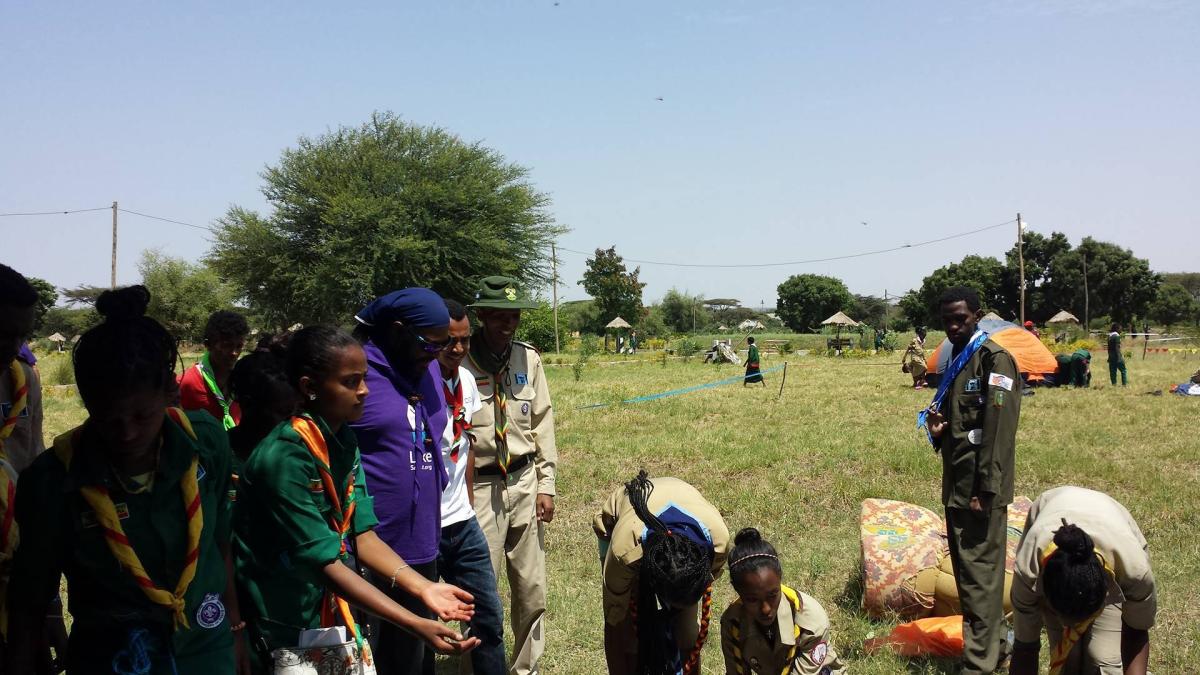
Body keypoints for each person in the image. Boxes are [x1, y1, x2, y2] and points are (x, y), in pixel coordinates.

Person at [6, 285, 251, 674]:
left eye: (142, 416)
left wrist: (236, 630)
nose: (126, 433)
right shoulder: (53, 480)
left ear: (169, 392)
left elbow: (219, 542)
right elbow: (30, 596)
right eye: (108, 417)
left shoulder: (204, 442)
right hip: (113, 661)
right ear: (86, 402)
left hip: (206, 653)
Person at [233, 325, 479, 673]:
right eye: (350, 382)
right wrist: (414, 622)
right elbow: (325, 564)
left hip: (335, 623)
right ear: (309, 388)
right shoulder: (284, 459)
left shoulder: (344, 441)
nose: (364, 391)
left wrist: (424, 587)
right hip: (287, 628)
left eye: (363, 378)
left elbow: (362, 535)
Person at [348, 288, 456, 673]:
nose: (438, 353)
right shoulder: (355, 374)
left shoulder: (425, 364)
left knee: (415, 659)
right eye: (430, 343)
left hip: (422, 542)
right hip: (368, 550)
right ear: (396, 331)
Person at [920, 286, 1021, 675]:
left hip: (980, 492)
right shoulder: (959, 360)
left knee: (980, 577)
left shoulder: (995, 361)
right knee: (970, 576)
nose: (953, 326)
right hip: (958, 487)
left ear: (977, 315)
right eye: (947, 320)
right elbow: (963, 426)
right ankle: (995, 649)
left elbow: (998, 435)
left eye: (960, 318)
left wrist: (986, 490)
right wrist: (940, 429)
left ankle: (979, 665)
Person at [464, 275, 559, 675]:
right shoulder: (460, 361)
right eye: (500, 316)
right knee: (481, 591)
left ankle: (525, 668)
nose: (509, 324)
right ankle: (478, 667)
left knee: (531, 588)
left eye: (514, 316)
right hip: (480, 487)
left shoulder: (528, 359)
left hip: (523, 481)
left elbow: (543, 423)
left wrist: (547, 483)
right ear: (482, 316)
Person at [593, 471, 729, 675]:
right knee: (625, 631)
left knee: (686, 634)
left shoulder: (717, 545)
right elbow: (614, 623)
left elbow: (690, 631)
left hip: (682, 502)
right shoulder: (624, 552)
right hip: (619, 523)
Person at [1009, 486, 1156, 675]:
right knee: (1066, 663)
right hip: (1052, 509)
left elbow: (1135, 633)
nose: (1072, 627)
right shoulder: (1029, 572)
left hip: (1110, 531)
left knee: (1104, 663)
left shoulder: (1134, 570)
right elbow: (1025, 647)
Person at [435, 299, 507, 674]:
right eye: (449, 341)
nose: (458, 349)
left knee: (487, 619)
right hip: (425, 529)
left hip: (462, 524)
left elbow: (467, 444)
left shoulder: (464, 380)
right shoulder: (418, 384)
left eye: (463, 340)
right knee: (420, 626)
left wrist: (468, 500)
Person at [720, 528, 845, 675]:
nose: (766, 609)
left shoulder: (809, 620)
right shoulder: (733, 623)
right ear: (738, 591)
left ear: (780, 579)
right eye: (753, 600)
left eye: (772, 595)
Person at [0, 264, 45, 476]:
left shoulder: (22, 381)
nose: (14, 347)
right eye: (4, 334)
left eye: (23, 336)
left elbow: (35, 451)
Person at [227, 349, 296, 483]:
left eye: (295, 412)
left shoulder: (298, 455)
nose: (293, 423)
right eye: (283, 413)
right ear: (247, 405)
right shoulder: (219, 456)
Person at [180, 310, 250, 429]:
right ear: (208, 345)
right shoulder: (186, 383)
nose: (234, 353)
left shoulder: (244, 380)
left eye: (239, 346)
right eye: (226, 345)